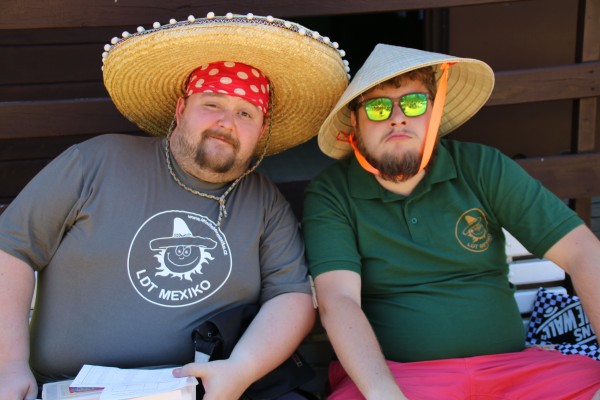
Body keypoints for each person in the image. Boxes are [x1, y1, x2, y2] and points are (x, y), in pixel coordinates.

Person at [0, 12, 349, 400]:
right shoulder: (95, 162)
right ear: (181, 109)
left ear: (261, 130)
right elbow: (11, 250)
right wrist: (8, 364)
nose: (226, 123)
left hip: (205, 389)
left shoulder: (264, 200)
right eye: (212, 104)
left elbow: (291, 296)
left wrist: (240, 370)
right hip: (72, 388)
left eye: (245, 113)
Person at [302, 43, 600, 399]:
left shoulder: (482, 166)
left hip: (515, 373)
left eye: (414, 103)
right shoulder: (332, 193)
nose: (397, 118)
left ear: (435, 110)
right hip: (399, 378)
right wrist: (384, 392)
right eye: (378, 107)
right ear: (355, 122)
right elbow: (338, 300)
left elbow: (583, 252)